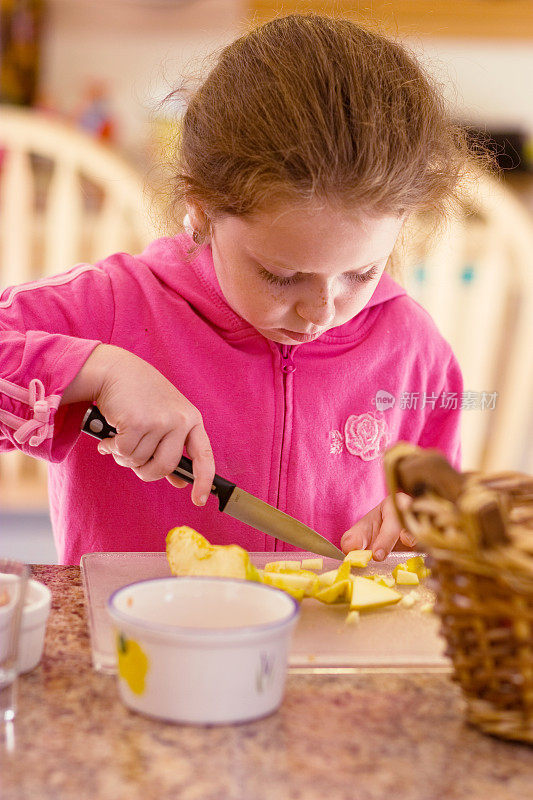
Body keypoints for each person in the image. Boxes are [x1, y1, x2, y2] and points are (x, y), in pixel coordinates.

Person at [0, 14, 494, 565]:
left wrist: (422, 526)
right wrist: (97, 369)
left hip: (328, 651)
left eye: (361, 274)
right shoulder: (113, 306)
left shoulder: (413, 348)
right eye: (281, 276)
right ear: (201, 209)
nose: (320, 313)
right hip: (137, 644)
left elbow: (443, 517)